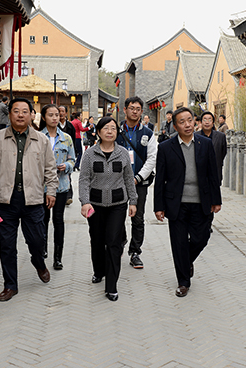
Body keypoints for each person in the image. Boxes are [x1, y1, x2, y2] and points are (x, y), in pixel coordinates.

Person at [0, 98, 59, 302]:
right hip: (6, 200)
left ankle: (39, 263)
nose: (20, 115)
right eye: (16, 111)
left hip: (33, 199)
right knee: (7, 245)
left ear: (31, 115)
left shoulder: (41, 140)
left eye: (25, 111)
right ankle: (10, 285)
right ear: (9, 114)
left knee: (37, 240)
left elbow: (50, 169)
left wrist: (51, 191)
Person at [154, 107, 222, 298]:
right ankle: (183, 282)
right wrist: (158, 206)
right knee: (179, 243)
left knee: (201, 238)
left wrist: (216, 200)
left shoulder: (205, 144)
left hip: (201, 201)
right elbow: (160, 179)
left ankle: (186, 261)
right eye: (182, 122)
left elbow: (213, 174)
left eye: (190, 120)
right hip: (176, 203)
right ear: (175, 126)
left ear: (195, 122)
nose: (187, 125)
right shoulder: (166, 147)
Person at [79, 116, 137, 301]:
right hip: (95, 205)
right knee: (97, 240)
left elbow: (128, 179)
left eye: (113, 128)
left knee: (113, 242)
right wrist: (85, 201)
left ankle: (111, 286)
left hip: (117, 205)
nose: (110, 131)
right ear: (98, 132)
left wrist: (133, 201)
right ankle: (98, 271)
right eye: (106, 128)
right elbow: (84, 179)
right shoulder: (90, 154)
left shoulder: (123, 153)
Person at [116, 96, 157, 269]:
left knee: (138, 218)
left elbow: (152, 158)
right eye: (131, 108)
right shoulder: (115, 131)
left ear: (141, 112)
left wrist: (138, 178)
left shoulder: (148, 133)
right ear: (125, 110)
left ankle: (135, 252)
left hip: (139, 183)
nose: (135, 111)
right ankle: (121, 241)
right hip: (117, 183)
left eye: (138, 109)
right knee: (117, 217)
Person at [39, 104, 75, 270]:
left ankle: (58, 257)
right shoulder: (38, 137)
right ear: (44, 117)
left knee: (58, 220)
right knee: (43, 219)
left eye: (56, 115)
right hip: (42, 186)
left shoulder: (66, 138)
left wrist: (66, 166)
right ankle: (43, 249)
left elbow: (72, 159)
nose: (55, 118)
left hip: (61, 185)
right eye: (51, 115)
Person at [58, 105, 76, 204]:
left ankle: (68, 196)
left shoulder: (70, 126)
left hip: (67, 153)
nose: (61, 113)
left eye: (62, 111)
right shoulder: (54, 125)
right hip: (57, 154)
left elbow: (73, 141)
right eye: (59, 111)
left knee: (67, 174)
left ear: (66, 113)